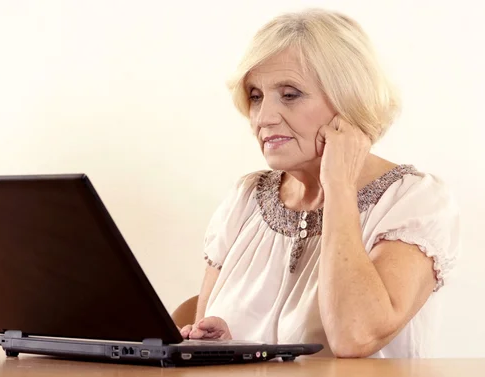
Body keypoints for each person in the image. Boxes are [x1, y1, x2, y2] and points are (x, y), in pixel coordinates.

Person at [179, 8, 460, 358]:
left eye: (290, 94)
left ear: (349, 99)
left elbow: (354, 336)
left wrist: (339, 187)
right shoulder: (246, 199)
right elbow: (198, 334)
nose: (263, 117)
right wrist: (216, 343)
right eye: (255, 95)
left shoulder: (415, 201)